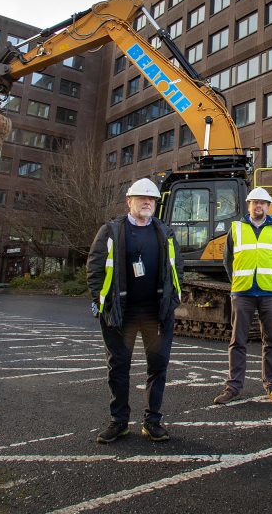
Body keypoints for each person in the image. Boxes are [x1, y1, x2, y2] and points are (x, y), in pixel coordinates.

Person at [87, 177, 183, 444]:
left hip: (156, 312)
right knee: (118, 367)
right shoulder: (110, 231)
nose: (146, 203)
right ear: (129, 201)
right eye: (141, 198)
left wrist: (173, 299)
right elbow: (94, 269)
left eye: (151, 199)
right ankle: (118, 422)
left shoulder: (164, 231)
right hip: (121, 311)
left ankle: (152, 421)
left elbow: (177, 268)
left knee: (158, 366)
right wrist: (100, 301)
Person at [213, 187, 272, 406]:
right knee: (237, 341)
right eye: (255, 202)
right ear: (249, 205)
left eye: (263, 203)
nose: (259, 206)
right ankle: (233, 387)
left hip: (270, 291)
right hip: (243, 291)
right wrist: (237, 281)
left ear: (268, 206)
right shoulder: (236, 228)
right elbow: (227, 260)